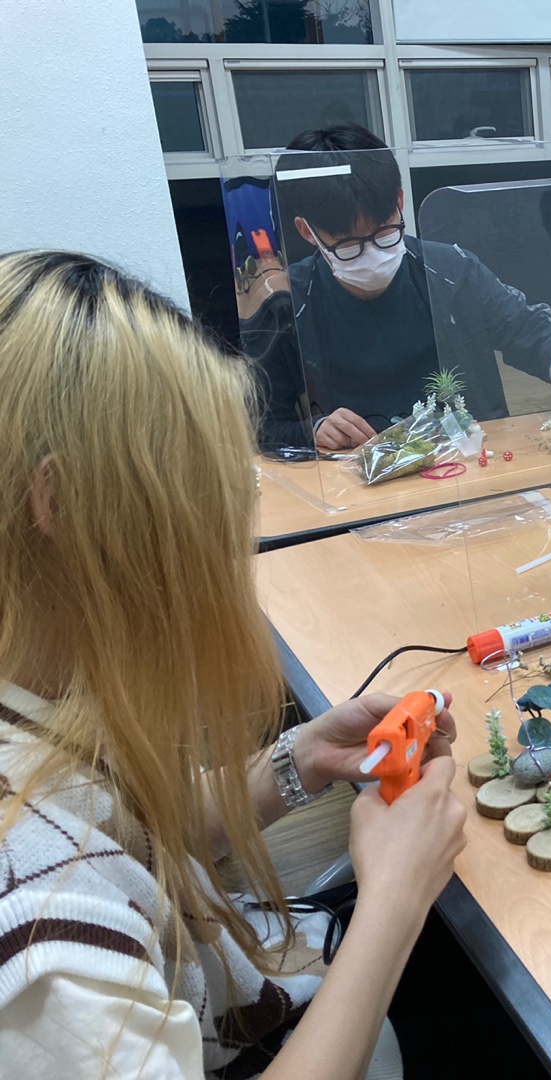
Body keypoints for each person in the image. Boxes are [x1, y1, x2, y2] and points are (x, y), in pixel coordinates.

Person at [0, 250, 469, 1075]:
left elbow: (123, 832)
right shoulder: (39, 951)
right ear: (63, 503)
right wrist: (395, 904)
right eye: (204, 500)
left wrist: (299, 759)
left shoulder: (34, 698)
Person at [247, 123, 551, 451]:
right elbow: (262, 426)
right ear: (307, 231)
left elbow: (526, 327)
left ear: (399, 201)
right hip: (358, 480)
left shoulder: (450, 270)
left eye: (385, 234)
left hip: (468, 462)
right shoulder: (287, 303)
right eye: (348, 246)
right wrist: (313, 431)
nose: (371, 255)